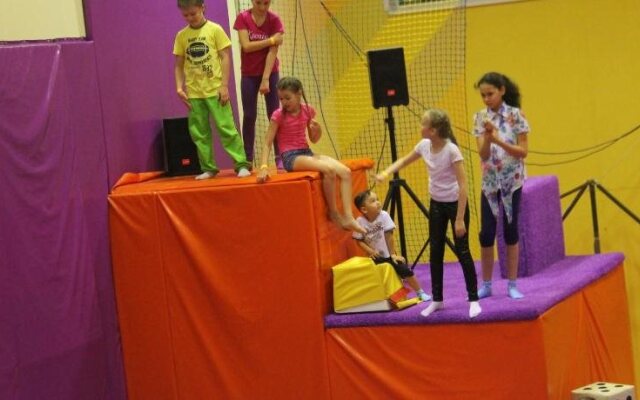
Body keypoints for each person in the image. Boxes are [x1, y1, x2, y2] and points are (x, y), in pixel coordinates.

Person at [376, 109, 481, 319]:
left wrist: (460, 219)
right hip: (436, 204)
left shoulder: (451, 150)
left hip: (455, 205)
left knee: (463, 252)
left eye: (423, 124)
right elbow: (404, 161)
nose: (420, 127)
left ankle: (473, 299)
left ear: (433, 130)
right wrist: (386, 172)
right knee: (435, 252)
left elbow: (463, 185)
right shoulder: (424, 146)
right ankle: (437, 299)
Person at [256, 77, 365, 234]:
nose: (284, 102)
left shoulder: (308, 110)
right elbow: (267, 142)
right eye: (281, 99)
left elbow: (314, 139)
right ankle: (333, 212)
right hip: (290, 157)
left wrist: (317, 129)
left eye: (287, 98)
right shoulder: (278, 115)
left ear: (299, 94)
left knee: (346, 172)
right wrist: (263, 167)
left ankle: (348, 217)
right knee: (329, 170)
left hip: (306, 152)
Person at [174, 0, 251, 180]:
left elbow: (225, 57)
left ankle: (241, 164)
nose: (190, 18)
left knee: (226, 128)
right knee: (199, 132)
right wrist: (179, 87)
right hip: (194, 93)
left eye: (193, 13)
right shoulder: (181, 36)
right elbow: (178, 64)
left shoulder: (215, 30)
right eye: (185, 15)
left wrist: (224, 85)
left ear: (202, 7)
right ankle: (208, 168)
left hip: (215, 90)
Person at [473, 72, 530, 300]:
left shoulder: (516, 116)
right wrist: (488, 139)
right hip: (490, 184)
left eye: (490, 94)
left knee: (510, 231)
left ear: (502, 91)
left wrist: (498, 140)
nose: (487, 99)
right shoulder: (480, 117)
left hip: (511, 183)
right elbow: (483, 154)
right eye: (483, 95)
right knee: (486, 233)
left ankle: (512, 284)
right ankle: (486, 284)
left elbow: (523, 151)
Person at [353, 190, 431, 302]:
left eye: (377, 199)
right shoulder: (359, 221)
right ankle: (387, 298)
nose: (378, 202)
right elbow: (359, 240)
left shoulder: (384, 215)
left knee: (404, 270)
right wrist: (370, 251)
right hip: (374, 257)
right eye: (373, 201)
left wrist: (393, 255)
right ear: (364, 209)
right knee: (379, 277)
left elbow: (389, 237)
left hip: (388, 254)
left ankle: (420, 292)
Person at [233, 0, 284, 168]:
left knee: (274, 115)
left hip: (270, 73)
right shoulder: (243, 18)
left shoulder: (274, 20)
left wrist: (266, 79)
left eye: (266, 3)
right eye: (258, 3)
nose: (262, 7)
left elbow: (273, 52)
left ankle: (279, 156)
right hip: (249, 74)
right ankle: (247, 159)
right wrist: (271, 40)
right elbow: (246, 46)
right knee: (249, 115)